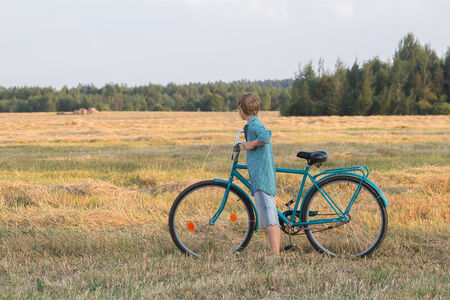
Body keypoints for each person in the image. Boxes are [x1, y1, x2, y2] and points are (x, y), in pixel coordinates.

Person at [238, 93, 280, 255]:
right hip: (260, 174)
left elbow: (265, 136)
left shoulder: (255, 125)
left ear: (241, 109)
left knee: (269, 212)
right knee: (266, 209)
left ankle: (274, 253)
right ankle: (274, 250)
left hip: (262, 176)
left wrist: (251, 144)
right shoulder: (252, 123)